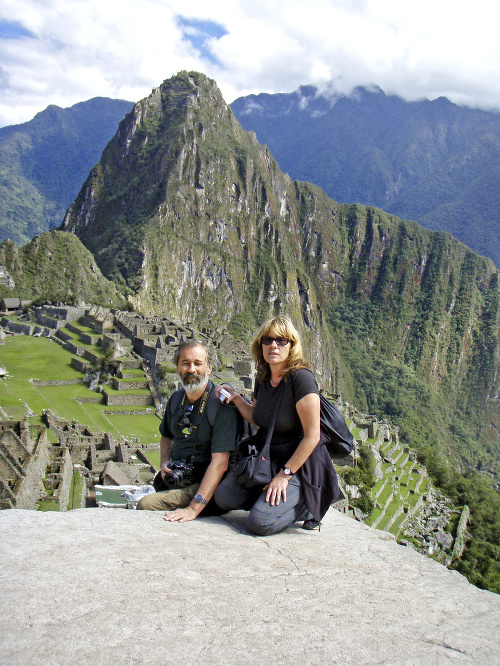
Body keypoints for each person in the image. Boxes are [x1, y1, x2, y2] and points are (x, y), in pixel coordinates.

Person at [214, 315, 339, 535]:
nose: (274, 345)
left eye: (282, 340)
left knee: (260, 523)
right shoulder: (263, 378)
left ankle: (307, 506)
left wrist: (285, 475)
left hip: (300, 466)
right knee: (223, 497)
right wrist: (236, 399)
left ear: (291, 345)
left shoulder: (301, 379)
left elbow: (313, 436)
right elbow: (258, 418)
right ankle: (268, 499)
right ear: (259, 344)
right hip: (267, 459)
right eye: (268, 339)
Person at [137, 340, 238, 521]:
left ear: (209, 369)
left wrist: (193, 508)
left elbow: (220, 464)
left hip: (207, 485)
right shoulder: (176, 399)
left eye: (198, 363)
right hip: (180, 479)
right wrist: (164, 462)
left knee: (146, 504)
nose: (191, 369)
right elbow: (166, 436)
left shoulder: (221, 405)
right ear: (177, 369)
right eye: (185, 363)